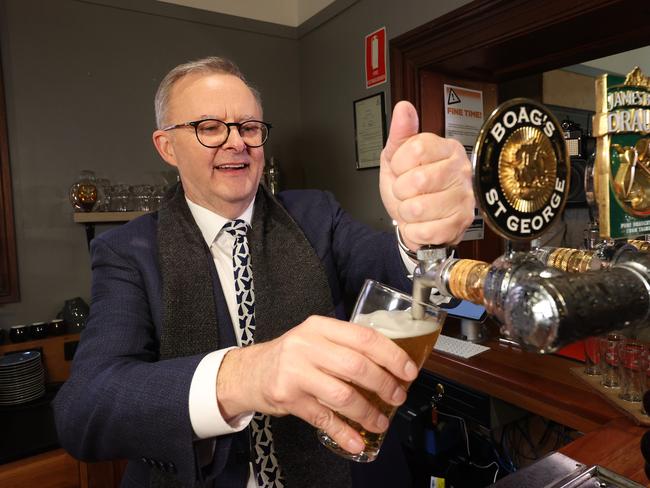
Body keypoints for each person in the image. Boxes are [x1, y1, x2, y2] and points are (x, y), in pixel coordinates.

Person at [54, 56, 474, 488]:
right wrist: (247, 375)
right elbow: (85, 410)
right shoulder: (125, 252)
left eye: (249, 127)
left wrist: (423, 236)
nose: (236, 143)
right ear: (167, 146)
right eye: (210, 127)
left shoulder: (317, 214)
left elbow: (397, 274)